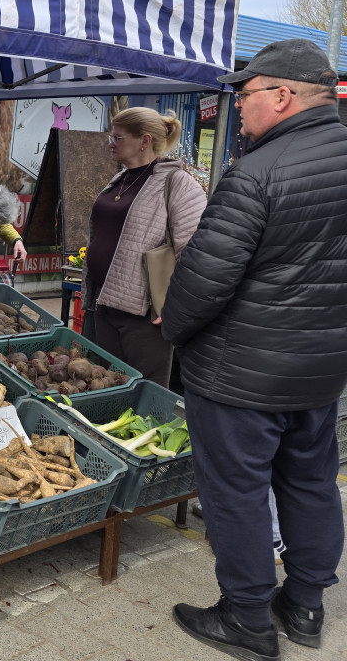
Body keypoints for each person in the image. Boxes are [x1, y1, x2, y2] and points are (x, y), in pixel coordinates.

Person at [162, 38, 347, 660]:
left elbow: (201, 281)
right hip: (320, 371)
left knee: (237, 492)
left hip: (241, 374)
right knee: (312, 482)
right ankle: (305, 607)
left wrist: (174, 332)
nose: (237, 106)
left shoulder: (258, 171)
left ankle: (246, 619)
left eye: (245, 94)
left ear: (283, 95)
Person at [81, 107, 206, 387]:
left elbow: (195, 251)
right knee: (106, 385)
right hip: (104, 303)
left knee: (144, 391)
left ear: (144, 141)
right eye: (111, 137)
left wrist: (178, 305)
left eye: (118, 138)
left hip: (144, 316)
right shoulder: (120, 179)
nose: (111, 143)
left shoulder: (178, 184)